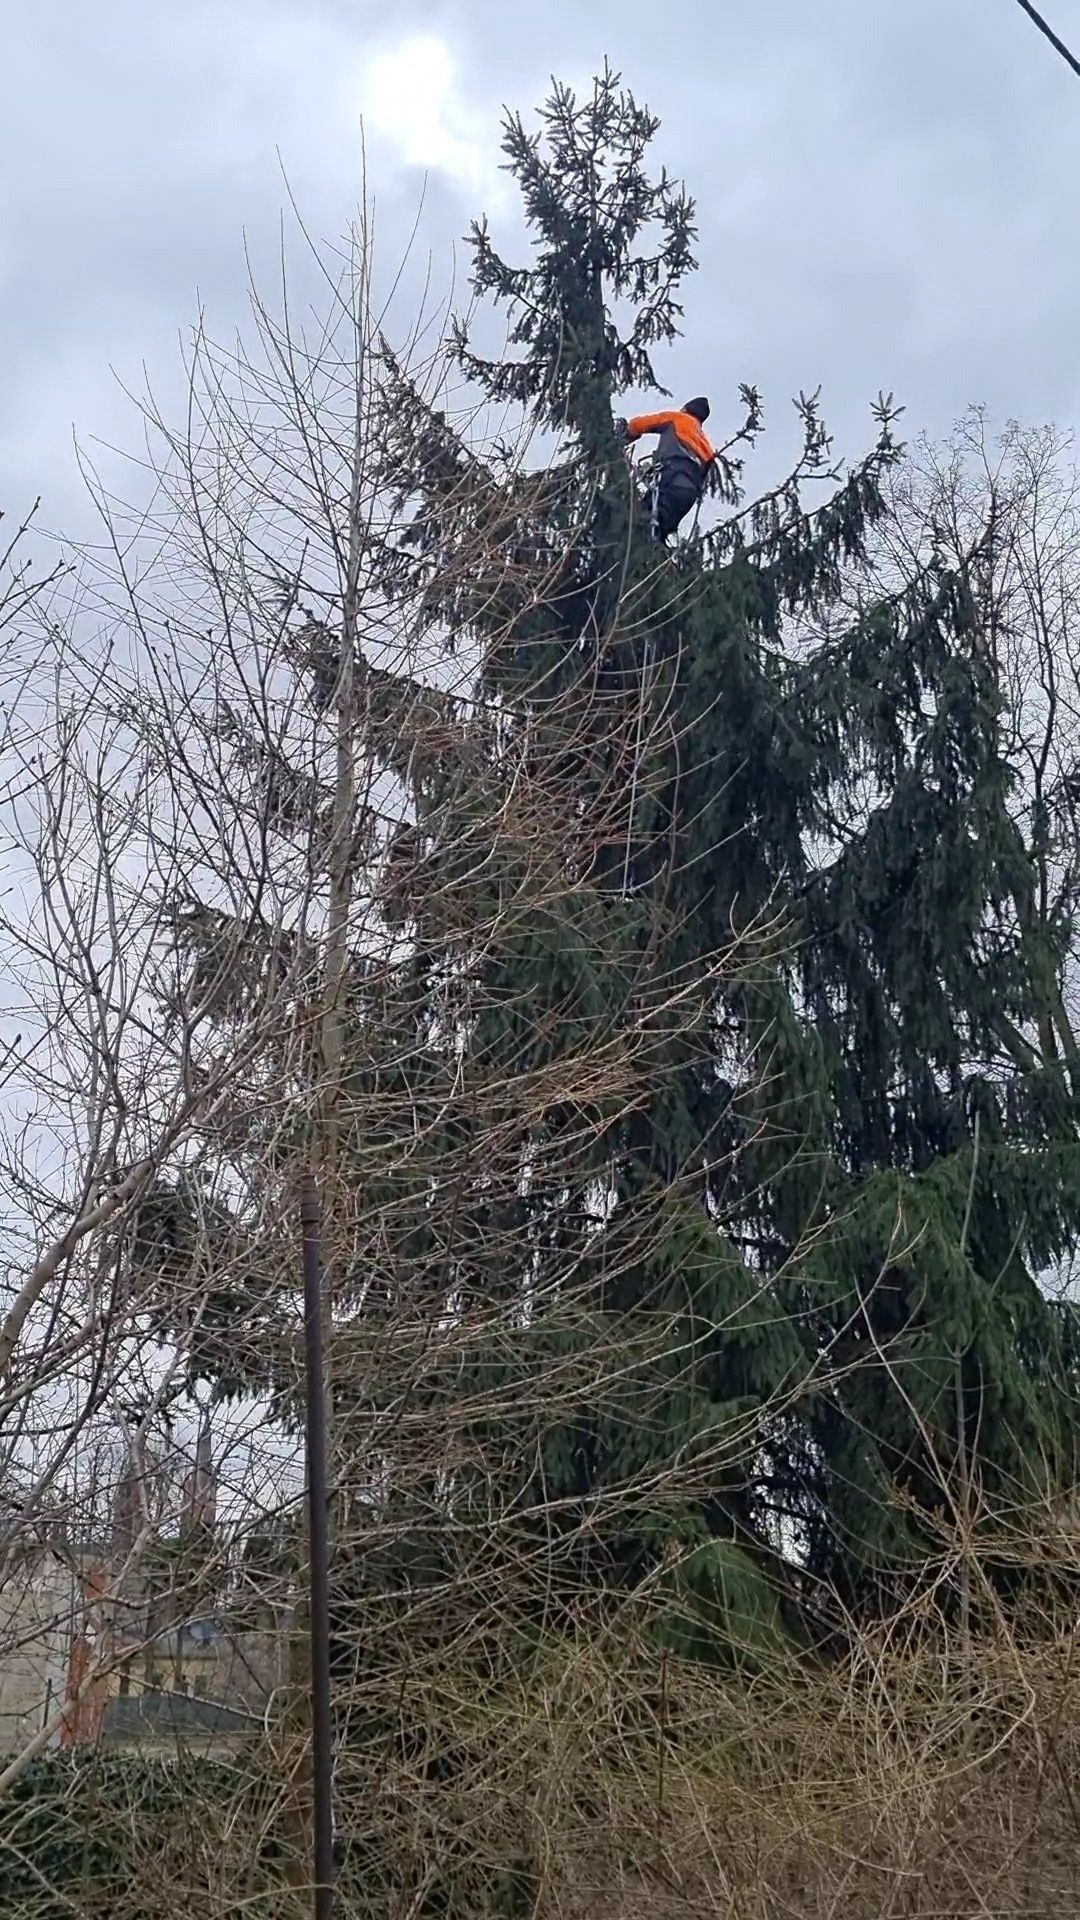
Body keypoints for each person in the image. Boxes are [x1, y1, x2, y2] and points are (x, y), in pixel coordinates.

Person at [616, 396, 714, 544]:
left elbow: (640, 424)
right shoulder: (706, 445)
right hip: (688, 496)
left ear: (685, 409)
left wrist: (625, 435)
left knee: (639, 522)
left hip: (670, 481)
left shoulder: (678, 418)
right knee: (658, 534)